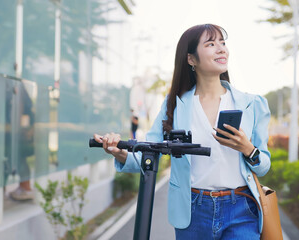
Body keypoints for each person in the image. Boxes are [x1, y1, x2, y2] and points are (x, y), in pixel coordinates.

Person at [94, 24, 271, 239]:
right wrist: (117, 150)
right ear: (191, 59)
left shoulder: (252, 104)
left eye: (223, 43)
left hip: (241, 209)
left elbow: (263, 167)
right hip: (193, 210)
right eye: (211, 44)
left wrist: (248, 149)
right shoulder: (174, 105)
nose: (221, 49)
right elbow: (149, 152)